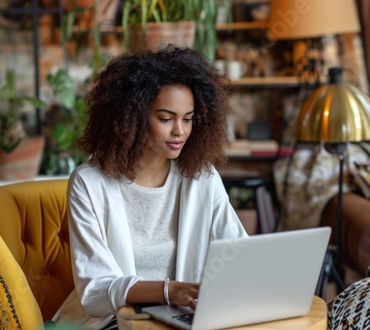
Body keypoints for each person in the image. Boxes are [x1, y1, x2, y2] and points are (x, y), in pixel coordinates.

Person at [53, 45, 248, 329]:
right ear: (131, 115)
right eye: (166, 119)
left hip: (181, 317)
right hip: (113, 320)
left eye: (188, 119)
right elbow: (95, 289)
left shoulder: (202, 178)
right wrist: (170, 290)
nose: (180, 131)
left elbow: (238, 252)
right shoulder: (89, 184)